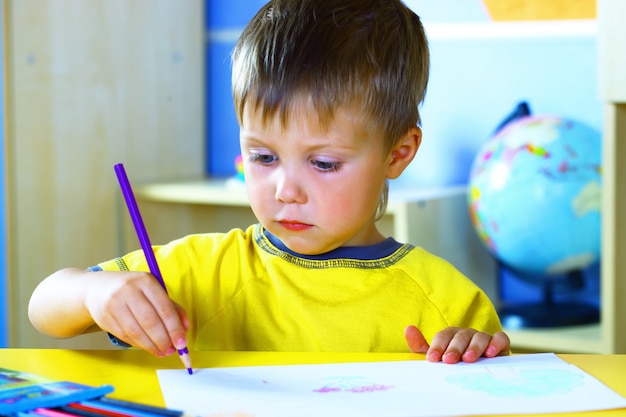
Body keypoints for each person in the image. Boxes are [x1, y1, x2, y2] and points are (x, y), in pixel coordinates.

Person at [28, 0, 510, 364]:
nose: (285, 190)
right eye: (262, 156)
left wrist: (475, 357)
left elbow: (502, 389)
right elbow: (44, 306)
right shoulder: (207, 271)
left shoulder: (446, 299)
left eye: (322, 163)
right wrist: (97, 294)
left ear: (398, 153)